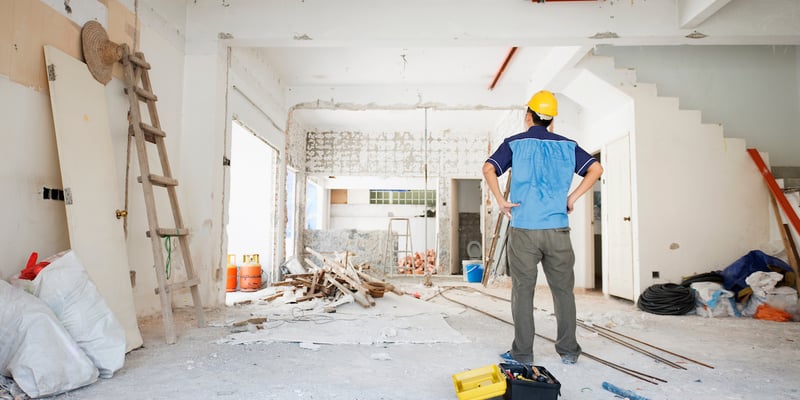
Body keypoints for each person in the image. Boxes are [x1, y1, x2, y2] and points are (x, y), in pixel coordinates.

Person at [482, 90, 603, 365]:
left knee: (523, 292)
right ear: (552, 121)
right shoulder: (568, 145)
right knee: (563, 292)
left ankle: (523, 354)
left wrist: (501, 201)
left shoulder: (514, 143)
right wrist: (571, 198)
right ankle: (569, 352)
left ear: (528, 116)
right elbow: (595, 169)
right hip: (558, 229)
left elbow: (489, 168)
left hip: (524, 229)